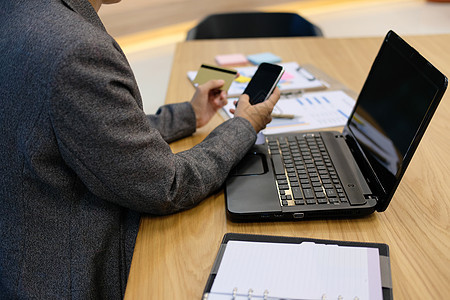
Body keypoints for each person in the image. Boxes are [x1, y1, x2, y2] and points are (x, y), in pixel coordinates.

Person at [0, 0, 279, 298]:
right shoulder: (76, 49)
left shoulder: (19, 10)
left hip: (21, 259)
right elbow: (165, 186)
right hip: (69, 277)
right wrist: (244, 126)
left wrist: (188, 116)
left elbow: (91, 130)